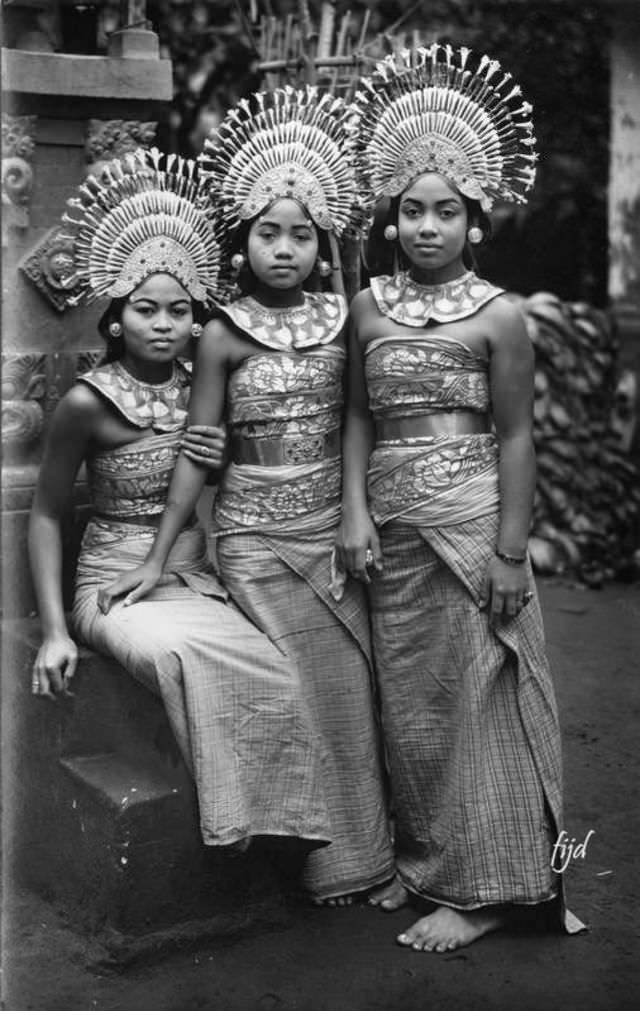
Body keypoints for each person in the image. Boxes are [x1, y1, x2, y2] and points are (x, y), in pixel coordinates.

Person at [100, 90, 394, 904]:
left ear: (322, 241)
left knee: (353, 692)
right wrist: (159, 558)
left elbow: (362, 420)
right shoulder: (221, 330)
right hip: (253, 542)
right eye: (269, 231)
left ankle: (371, 855)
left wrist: (360, 515)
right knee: (294, 692)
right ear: (244, 240)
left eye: (302, 234)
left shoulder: (344, 320)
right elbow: (197, 453)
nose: (285, 248)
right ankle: (313, 859)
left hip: (330, 528)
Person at [338, 45, 583, 950]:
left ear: (475, 223)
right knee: (415, 706)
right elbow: (356, 418)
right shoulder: (366, 308)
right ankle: (435, 863)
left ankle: (496, 889)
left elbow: (516, 434)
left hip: (473, 521)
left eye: (447, 211)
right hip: (391, 529)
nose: (428, 226)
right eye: (413, 211)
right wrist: (355, 511)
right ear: (391, 219)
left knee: (484, 694)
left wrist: (512, 551)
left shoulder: (500, 315)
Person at [29, 147, 332, 854]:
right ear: (115, 317)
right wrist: (53, 630)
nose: (161, 325)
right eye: (143, 310)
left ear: (196, 318)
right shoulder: (85, 402)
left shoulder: (205, 383)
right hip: (115, 584)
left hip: (195, 570)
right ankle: (232, 824)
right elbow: (46, 514)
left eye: (177, 310)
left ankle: (278, 828)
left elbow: (224, 475)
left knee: (274, 663)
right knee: (177, 655)